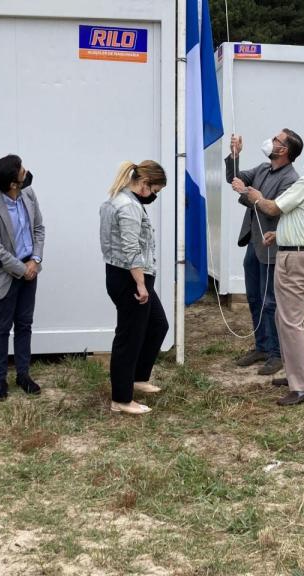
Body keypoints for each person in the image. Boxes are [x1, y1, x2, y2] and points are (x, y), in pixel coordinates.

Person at [242, 141, 304, 406]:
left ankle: (302, 385)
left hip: (294, 259)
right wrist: (281, 234)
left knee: (290, 320)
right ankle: (294, 374)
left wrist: (256, 197)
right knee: (285, 317)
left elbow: (273, 208)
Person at [225, 129, 303, 376]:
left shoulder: (291, 180)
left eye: (276, 139)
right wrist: (234, 155)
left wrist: (247, 193)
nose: (271, 141)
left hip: (271, 246)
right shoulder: (262, 169)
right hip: (254, 243)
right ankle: (261, 347)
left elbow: (272, 208)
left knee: (270, 302)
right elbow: (235, 178)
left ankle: (276, 354)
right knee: (254, 298)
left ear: (284, 150)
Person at [99, 160, 170, 415]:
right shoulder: (128, 206)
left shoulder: (119, 200)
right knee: (129, 337)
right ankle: (121, 399)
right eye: (155, 190)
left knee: (158, 325)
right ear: (144, 184)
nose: (154, 195)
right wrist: (140, 284)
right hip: (129, 278)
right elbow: (130, 249)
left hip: (130, 276)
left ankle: (138, 377)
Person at [0, 155, 45, 401]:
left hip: (30, 269)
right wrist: (22, 269)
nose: (26, 172)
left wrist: (35, 260)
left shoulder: (29, 194)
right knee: (2, 328)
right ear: (13, 183)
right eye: (22, 171)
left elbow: (38, 228)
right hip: (5, 274)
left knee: (25, 324)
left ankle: (23, 375)